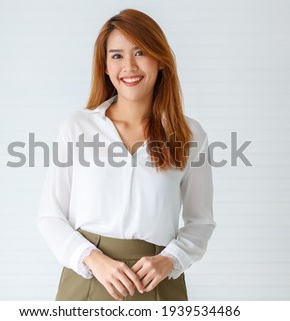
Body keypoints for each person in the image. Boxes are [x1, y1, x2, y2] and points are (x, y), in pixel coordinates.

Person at [37, 8, 216, 301]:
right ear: (105, 66)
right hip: (88, 280)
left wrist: (170, 259)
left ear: (160, 61)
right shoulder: (77, 127)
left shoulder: (190, 135)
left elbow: (201, 222)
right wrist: (93, 259)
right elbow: (50, 216)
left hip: (158, 284)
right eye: (117, 56)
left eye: (140, 53)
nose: (129, 66)